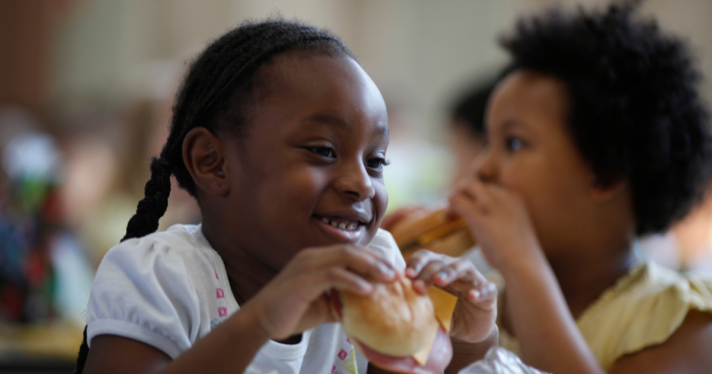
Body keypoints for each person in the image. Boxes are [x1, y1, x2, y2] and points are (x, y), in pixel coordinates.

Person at [75, 20, 498, 374]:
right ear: (212, 163)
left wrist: (466, 339)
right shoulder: (159, 275)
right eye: (323, 151)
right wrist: (263, 319)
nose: (362, 184)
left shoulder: (375, 270)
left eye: (376, 161)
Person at [447, 2, 712, 373]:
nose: (482, 168)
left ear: (605, 173)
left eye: (514, 143)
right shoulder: (472, 302)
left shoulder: (678, 319)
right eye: (488, 142)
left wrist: (521, 262)